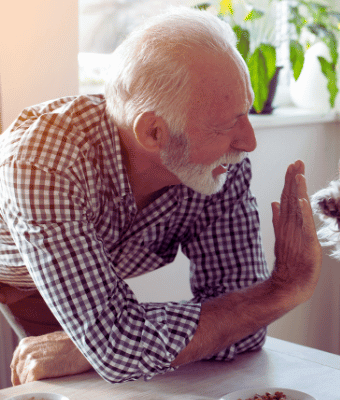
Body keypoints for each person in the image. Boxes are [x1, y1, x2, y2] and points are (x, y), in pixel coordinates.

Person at [0, 7, 322, 385]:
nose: (249, 141)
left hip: (75, 274)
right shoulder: (44, 161)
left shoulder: (218, 166)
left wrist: (101, 343)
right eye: (226, 125)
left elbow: (246, 328)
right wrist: (284, 289)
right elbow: (120, 349)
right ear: (154, 133)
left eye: (246, 111)